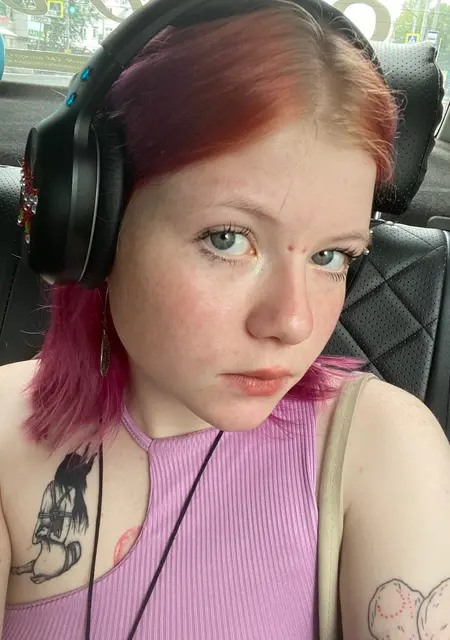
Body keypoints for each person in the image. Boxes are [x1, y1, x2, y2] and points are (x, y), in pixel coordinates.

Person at [1, 1, 450, 638]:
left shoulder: (383, 449)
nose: (293, 322)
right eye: (228, 239)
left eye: (331, 256)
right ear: (91, 228)